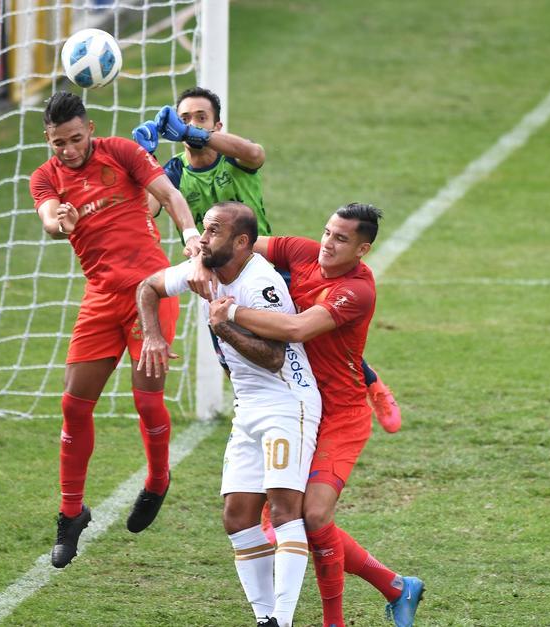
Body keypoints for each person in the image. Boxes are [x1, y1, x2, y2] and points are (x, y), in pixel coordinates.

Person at [132, 86, 402, 433]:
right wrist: (143, 165)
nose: (192, 124)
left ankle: (372, 385)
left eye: (201, 118)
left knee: (310, 337)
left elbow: (255, 153)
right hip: (216, 270)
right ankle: (254, 409)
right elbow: (146, 209)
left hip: (265, 266)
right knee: (231, 349)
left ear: (217, 126)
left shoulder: (232, 157)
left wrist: (191, 133)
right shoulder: (174, 171)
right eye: (184, 118)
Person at [209, 203, 425, 627]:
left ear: (362, 249)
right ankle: (396, 587)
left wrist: (228, 312)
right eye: (327, 232)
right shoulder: (302, 251)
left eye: (341, 239)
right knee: (281, 520)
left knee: (313, 516)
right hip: (294, 403)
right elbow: (240, 243)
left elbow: (297, 330)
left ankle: (334, 620)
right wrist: (203, 255)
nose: (328, 243)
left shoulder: (357, 290)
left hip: (340, 414)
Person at [29, 91, 203, 570]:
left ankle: (158, 480)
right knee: (73, 405)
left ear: (90, 129)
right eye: (59, 142)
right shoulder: (45, 177)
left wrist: (190, 236)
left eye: (76, 139)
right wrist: (59, 221)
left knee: (146, 400)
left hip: (151, 290)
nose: (69, 149)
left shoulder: (122, 152)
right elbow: (48, 219)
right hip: (102, 298)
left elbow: (168, 195)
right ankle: (71, 513)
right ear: (48, 139)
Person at [136, 202, 321, 627]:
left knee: (283, 510)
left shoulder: (261, 284)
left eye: (213, 231)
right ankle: (264, 618)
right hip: (248, 407)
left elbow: (274, 358)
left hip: (286, 403)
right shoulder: (205, 269)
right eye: (204, 229)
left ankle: (283, 620)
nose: (202, 239)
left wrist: (224, 327)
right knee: (237, 517)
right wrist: (153, 336)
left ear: (240, 242)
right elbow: (147, 287)